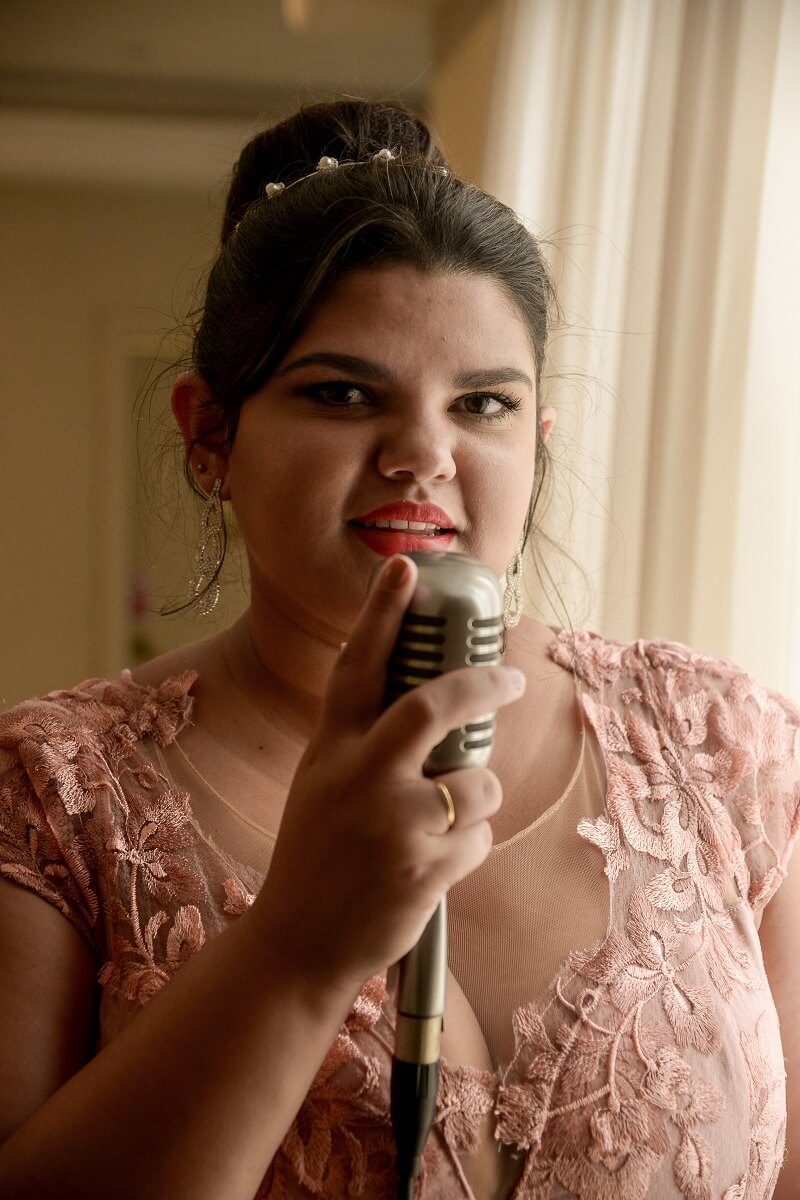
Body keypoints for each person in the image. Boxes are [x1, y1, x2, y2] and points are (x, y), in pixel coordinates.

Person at [0, 99, 796, 1200]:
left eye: (482, 404)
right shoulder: (50, 800)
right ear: (208, 434)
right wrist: (296, 945)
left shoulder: (722, 749)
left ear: (536, 445)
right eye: (343, 394)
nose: (423, 453)